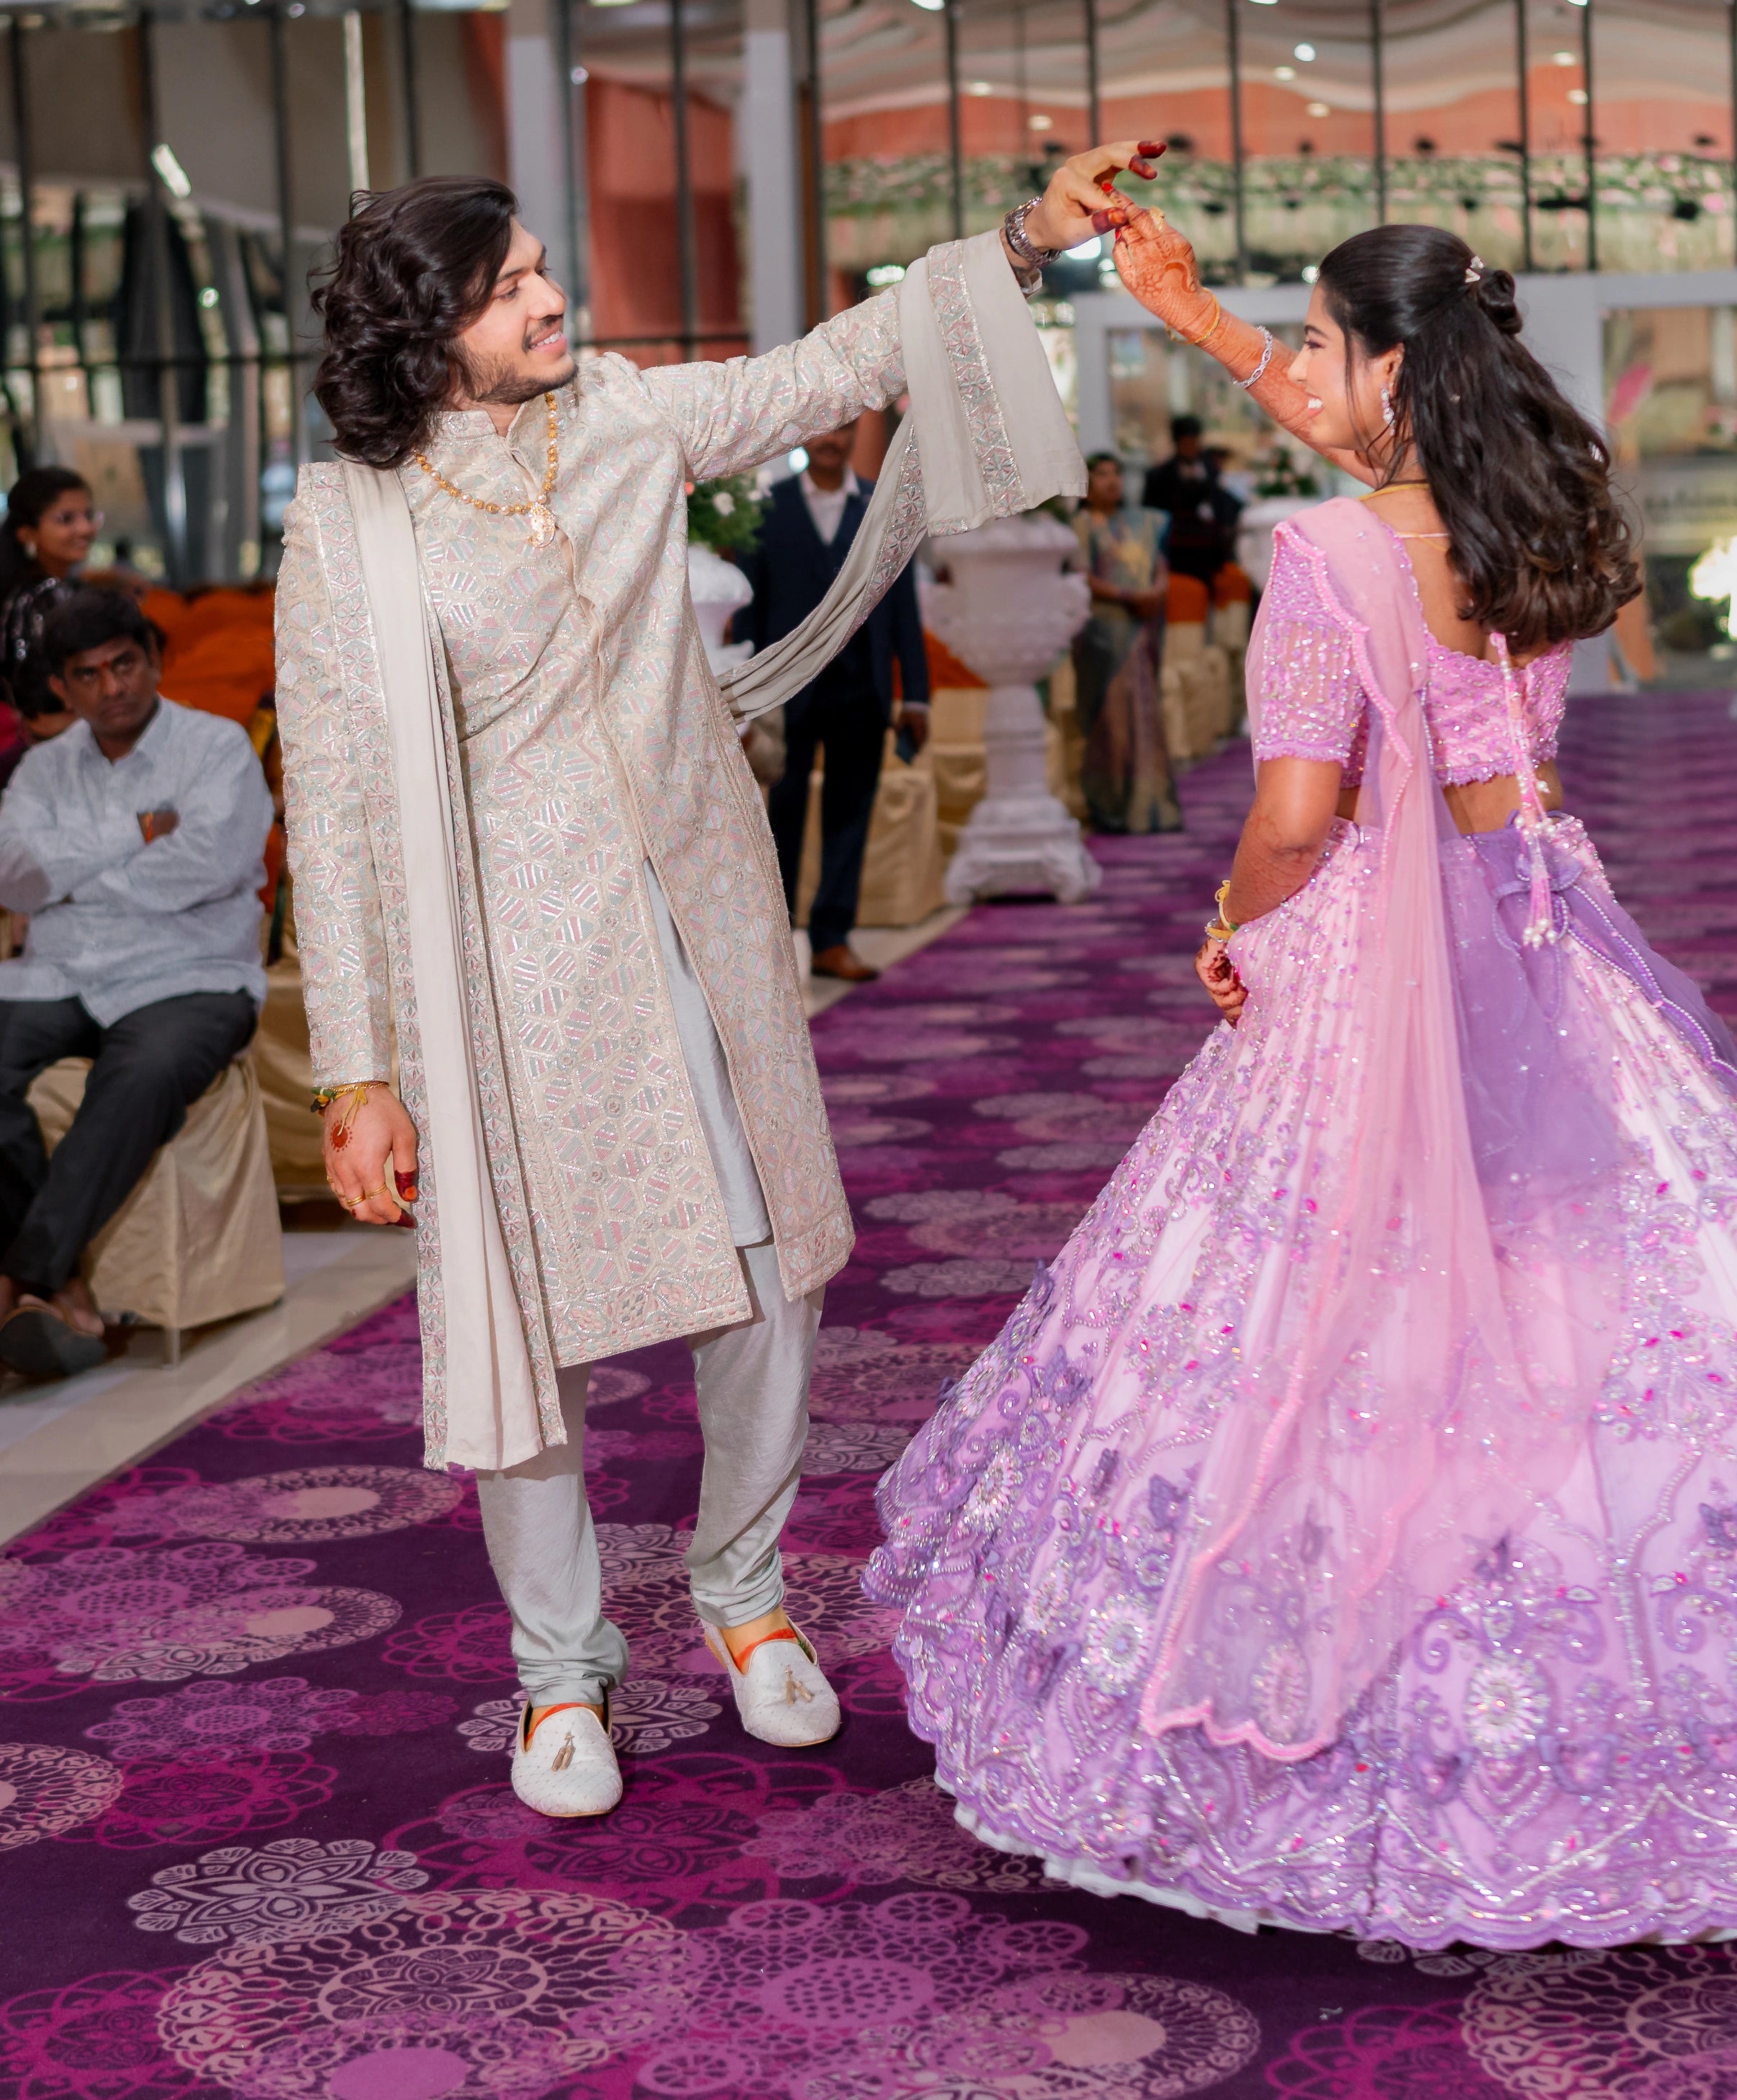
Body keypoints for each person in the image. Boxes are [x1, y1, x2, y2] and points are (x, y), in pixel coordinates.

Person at [866, 218, 1737, 1949]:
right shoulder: (1536, 510)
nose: (1304, 373)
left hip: (1377, 960)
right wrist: (1201, 320)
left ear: (1379, 366)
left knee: (1332, 1317)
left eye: (1316, 343)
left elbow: (1298, 816)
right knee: (1657, 1287)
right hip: (1539, 917)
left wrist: (1231, 922)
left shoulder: (1322, 555)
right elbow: (1377, 464)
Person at [274, 146, 1149, 1823]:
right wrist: (356, 1066)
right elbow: (338, 805)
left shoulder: (623, 420)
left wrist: (1028, 237)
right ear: (425, 328)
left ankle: (743, 1593)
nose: (551, 298)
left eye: (542, 266)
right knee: (532, 1325)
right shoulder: (352, 523)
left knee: (768, 1280)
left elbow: (833, 367)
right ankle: (559, 1670)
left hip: (701, 929)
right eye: (512, 283)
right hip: (509, 980)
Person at [0, 585, 271, 1381]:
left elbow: (204, 867)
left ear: (154, 660)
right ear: (63, 687)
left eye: (126, 664)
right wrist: (134, 833)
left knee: (143, 1071)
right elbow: (15, 877)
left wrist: (71, 876)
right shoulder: (45, 770)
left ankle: (23, 1277)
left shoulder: (217, 748)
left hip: (189, 973)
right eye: (89, 674)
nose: (112, 687)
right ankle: (65, 1286)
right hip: (60, 971)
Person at [753, 418, 933, 984]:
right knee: (782, 815)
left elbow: (903, 605)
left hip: (863, 686)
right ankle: (778, 944)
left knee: (850, 814)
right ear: (804, 437)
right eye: (822, 432)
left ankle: (833, 939)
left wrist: (917, 697)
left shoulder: (879, 510)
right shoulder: (768, 509)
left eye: (843, 431)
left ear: (856, 435)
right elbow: (750, 608)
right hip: (787, 690)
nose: (832, 442)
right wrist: (744, 692)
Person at [1070, 454, 1181, 835]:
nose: (1111, 481)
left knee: (1144, 713)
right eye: (1101, 475)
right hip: (1103, 634)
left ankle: (1150, 805)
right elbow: (1083, 576)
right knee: (1111, 718)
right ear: (1086, 482)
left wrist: (1155, 592)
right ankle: (1112, 805)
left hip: (1141, 628)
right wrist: (1128, 595)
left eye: (1116, 474)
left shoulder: (1144, 522)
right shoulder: (1080, 526)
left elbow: (1161, 566)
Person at [0, 467, 101, 766]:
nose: (85, 529)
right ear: (28, 534)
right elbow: (43, 712)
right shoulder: (46, 596)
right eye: (66, 519)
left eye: (89, 515)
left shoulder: (25, 589)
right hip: (50, 751)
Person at [1143, 413, 1237, 596]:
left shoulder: (1210, 469)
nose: (1191, 448)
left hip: (1211, 548)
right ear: (1176, 443)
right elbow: (1154, 519)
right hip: (1179, 550)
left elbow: (1222, 504)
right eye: (1186, 442)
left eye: (1194, 442)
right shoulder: (1159, 476)